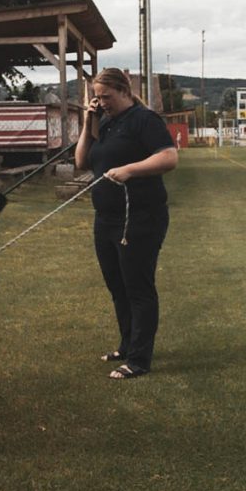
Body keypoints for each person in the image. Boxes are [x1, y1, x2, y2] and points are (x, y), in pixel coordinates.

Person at [74, 68, 179, 380]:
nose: (101, 102)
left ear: (124, 91)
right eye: (97, 97)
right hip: (106, 219)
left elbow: (169, 157)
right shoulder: (105, 122)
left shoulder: (145, 120)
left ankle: (139, 359)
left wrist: (130, 169)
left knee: (138, 288)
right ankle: (126, 344)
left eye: (106, 96)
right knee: (117, 286)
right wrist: (87, 122)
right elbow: (82, 161)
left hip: (140, 219)